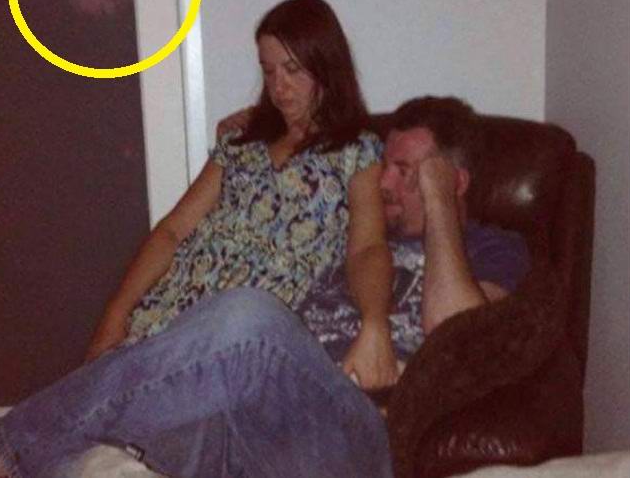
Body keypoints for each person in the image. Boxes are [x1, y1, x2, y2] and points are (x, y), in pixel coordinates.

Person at [0, 0, 397, 478]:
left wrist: (375, 323)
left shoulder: (356, 151)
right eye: (268, 72)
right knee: (98, 438)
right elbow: (173, 230)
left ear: (325, 65)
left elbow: (367, 248)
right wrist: (115, 316)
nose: (279, 87)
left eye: (292, 70)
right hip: (165, 326)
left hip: (234, 345)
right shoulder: (241, 142)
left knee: (224, 336)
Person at [221, 96, 531, 368]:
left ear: (455, 182)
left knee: (244, 311)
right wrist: (242, 147)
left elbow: (455, 333)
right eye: (384, 165)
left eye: (404, 170)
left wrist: (440, 199)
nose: (383, 183)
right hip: (285, 368)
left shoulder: (495, 248)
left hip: (358, 392)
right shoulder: (359, 231)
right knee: (232, 316)